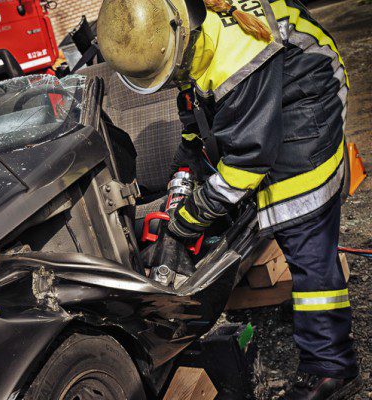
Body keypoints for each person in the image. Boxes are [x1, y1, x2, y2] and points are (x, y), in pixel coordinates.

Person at [97, 0, 361, 398]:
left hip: (309, 103)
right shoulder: (186, 33)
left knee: (303, 232)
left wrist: (186, 222)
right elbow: (198, 115)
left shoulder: (238, 55)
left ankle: (332, 369)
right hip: (271, 100)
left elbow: (247, 163)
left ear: (177, 34)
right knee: (261, 205)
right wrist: (185, 168)